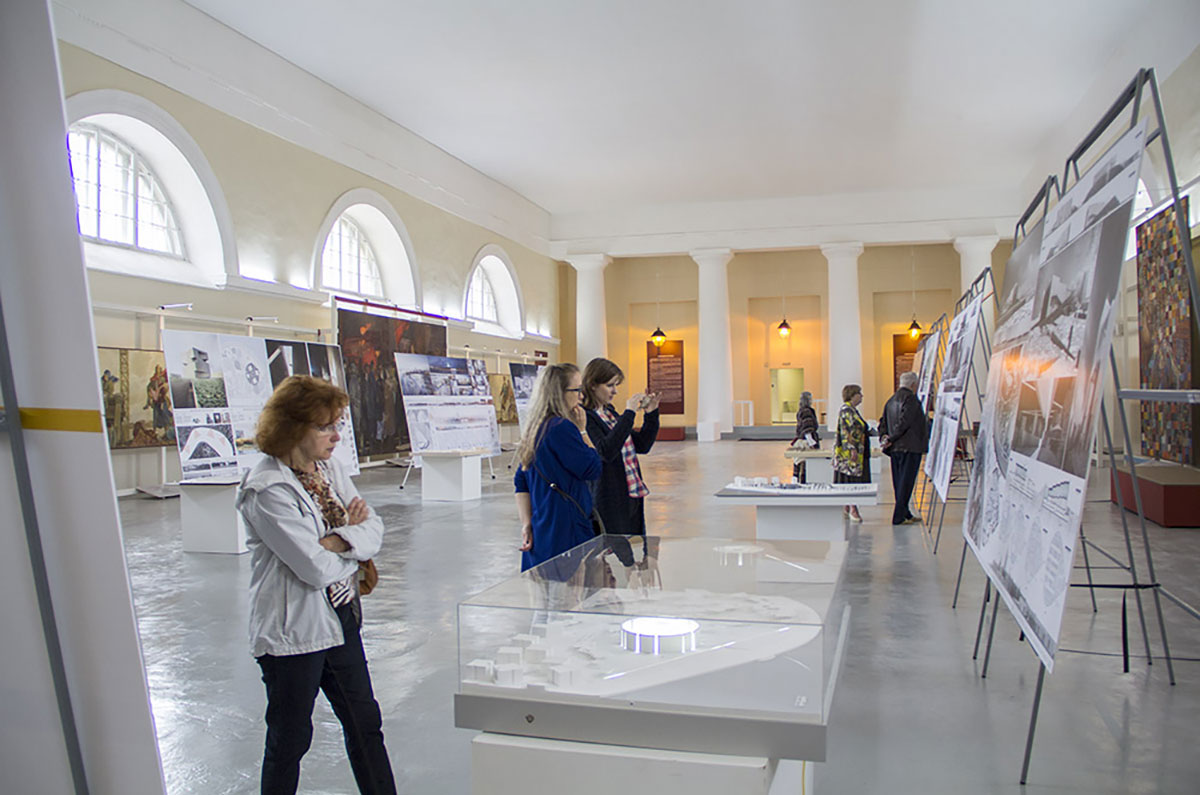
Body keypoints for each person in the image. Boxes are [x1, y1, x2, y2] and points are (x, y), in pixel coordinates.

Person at [236, 376, 396, 795]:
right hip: (294, 633)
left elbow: (375, 529)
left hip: (340, 619)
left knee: (365, 725)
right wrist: (349, 537)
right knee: (289, 740)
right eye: (325, 427)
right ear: (292, 428)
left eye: (337, 424)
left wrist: (336, 539)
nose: (336, 436)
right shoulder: (265, 488)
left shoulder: (330, 470)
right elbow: (314, 568)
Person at [514, 363, 603, 570]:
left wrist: (526, 523)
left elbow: (521, 481)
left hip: (542, 522)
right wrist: (583, 432)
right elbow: (593, 468)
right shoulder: (562, 428)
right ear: (560, 393)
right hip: (565, 524)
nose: (581, 396)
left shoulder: (535, 427)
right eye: (577, 390)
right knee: (570, 584)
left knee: (546, 583)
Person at [581, 357, 660, 536]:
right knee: (615, 543)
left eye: (616, 385)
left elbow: (642, 445)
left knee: (634, 542)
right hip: (608, 495)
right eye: (610, 385)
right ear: (592, 385)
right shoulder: (586, 417)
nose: (615, 391)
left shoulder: (609, 412)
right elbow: (606, 451)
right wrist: (629, 413)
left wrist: (651, 414)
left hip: (630, 489)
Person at [879, 370, 929, 526]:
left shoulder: (891, 400)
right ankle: (899, 516)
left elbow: (883, 423)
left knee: (899, 481)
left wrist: (885, 438)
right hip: (909, 446)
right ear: (913, 385)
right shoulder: (911, 400)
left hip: (895, 449)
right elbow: (905, 422)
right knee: (906, 482)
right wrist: (892, 438)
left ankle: (905, 512)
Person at [833, 383, 870, 522]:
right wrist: (851, 448)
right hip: (849, 455)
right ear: (853, 395)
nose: (862, 396)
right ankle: (853, 507)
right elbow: (846, 431)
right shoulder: (846, 410)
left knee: (852, 478)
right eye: (859, 393)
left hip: (858, 451)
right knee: (851, 480)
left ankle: (848, 507)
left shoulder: (853, 410)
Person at [791, 391, 820, 483]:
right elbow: (807, 429)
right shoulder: (807, 411)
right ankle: (804, 483)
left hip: (801, 441)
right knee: (805, 466)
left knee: (799, 464)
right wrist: (812, 443)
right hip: (806, 442)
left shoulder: (801, 410)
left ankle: (799, 482)